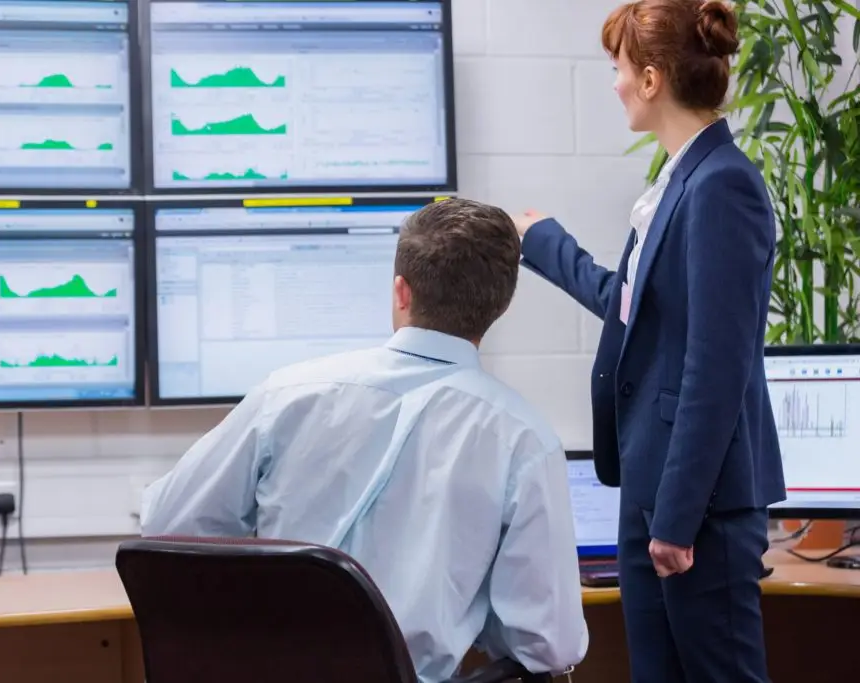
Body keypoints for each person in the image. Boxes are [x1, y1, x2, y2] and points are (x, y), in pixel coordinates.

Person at [141, 198, 588, 681]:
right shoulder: (523, 438)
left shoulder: (286, 393)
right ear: (502, 305)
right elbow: (548, 643)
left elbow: (167, 523)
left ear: (401, 291)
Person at [515, 1, 785, 681]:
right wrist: (548, 245)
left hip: (698, 506)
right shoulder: (678, 182)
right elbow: (636, 313)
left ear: (652, 79)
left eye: (619, 68)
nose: (612, 83)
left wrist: (677, 516)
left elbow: (715, 368)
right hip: (651, 487)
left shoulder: (724, 187)